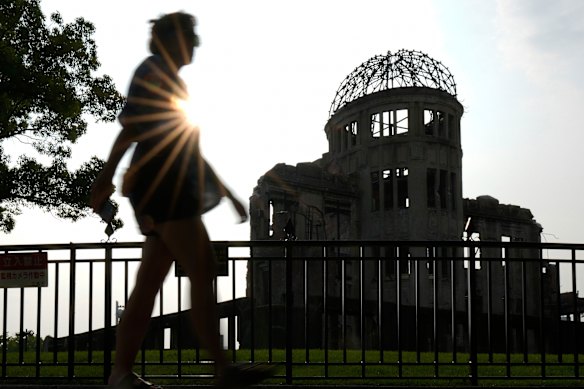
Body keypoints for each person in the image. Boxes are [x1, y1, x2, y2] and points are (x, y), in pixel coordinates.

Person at [90, 12, 272, 389]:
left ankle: (120, 374)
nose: (196, 43)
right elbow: (132, 129)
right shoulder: (154, 71)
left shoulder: (167, 78)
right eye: (191, 36)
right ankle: (224, 370)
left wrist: (227, 192)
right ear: (171, 39)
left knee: (149, 284)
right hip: (164, 188)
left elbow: (189, 145)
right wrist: (105, 177)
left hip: (162, 189)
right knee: (202, 267)